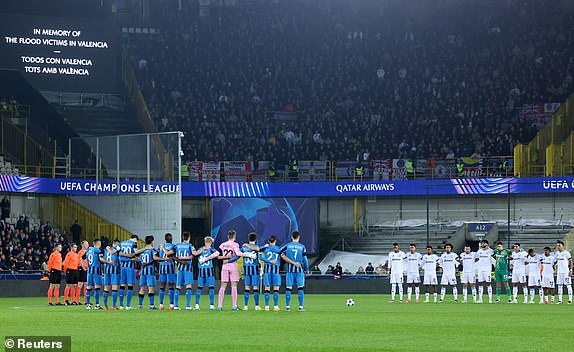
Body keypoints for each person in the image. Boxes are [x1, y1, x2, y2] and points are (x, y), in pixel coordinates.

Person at [217, 230, 257, 310]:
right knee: (234, 286)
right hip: (233, 266)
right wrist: (248, 255)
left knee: (223, 286)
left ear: (228, 236)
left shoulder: (222, 245)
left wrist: (225, 259)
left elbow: (218, 256)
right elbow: (238, 254)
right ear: (234, 237)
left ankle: (219, 306)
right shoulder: (235, 244)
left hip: (225, 266)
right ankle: (234, 306)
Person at [173, 232, 205, 310]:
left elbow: (172, 255)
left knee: (178, 287)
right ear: (189, 237)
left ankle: (176, 306)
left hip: (180, 268)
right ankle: (188, 305)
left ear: (182, 237)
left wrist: (180, 261)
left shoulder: (177, 245)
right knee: (188, 286)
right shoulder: (190, 246)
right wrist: (203, 249)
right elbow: (195, 253)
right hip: (188, 268)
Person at [118, 235, 148, 309]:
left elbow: (118, 253)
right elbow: (136, 252)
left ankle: (121, 305)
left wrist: (124, 255)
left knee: (122, 286)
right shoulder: (133, 243)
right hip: (130, 268)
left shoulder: (121, 243)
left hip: (122, 267)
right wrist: (144, 249)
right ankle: (128, 305)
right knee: (130, 286)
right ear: (135, 239)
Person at [280, 230, 309, 311]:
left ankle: (288, 307)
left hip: (290, 271)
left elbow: (280, 252)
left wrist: (284, 257)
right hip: (300, 271)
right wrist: (307, 269)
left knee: (288, 288)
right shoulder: (302, 247)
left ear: (292, 237)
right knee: (300, 288)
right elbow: (305, 259)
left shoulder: (287, 246)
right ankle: (300, 307)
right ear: (299, 237)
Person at [137, 235, 168, 310]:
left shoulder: (142, 250)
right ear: (152, 241)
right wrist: (164, 259)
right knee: (151, 288)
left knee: (142, 288)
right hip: (150, 271)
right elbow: (155, 258)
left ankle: (140, 305)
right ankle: (151, 305)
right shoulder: (152, 250)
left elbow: (138, 258)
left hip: (142, 271)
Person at [85, 239, 115, 310]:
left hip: (89, 271)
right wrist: (108, 262)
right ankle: (97, 305)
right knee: (97, 288)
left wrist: (84, 267)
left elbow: (82, 258)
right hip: (96, 271)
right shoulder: (97, 251)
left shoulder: (88, 251)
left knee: (89, 288)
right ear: (99, 244)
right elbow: (101, 259)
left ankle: (88, 305)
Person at [238, 232, 262, 310]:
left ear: (248, 239)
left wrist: (229, 261)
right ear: (255, 239)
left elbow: (238, 256)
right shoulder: (256, 246)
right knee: (255, 287)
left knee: (247, 287)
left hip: (247, 269)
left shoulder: (244, 247)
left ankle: (245, 306)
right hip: (254, 269)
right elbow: (258, 250)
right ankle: (257, 306)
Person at [195, 236, 219, 310]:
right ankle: (211, 305)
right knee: (211, 288)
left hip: (201, 271)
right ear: (211, 243)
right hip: (209, 271)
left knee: (199, 288)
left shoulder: (200, 249)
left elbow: (195, 254)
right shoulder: (211, 250)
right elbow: (217, 253)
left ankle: (197, 305)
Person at [260, 235, 282, 311]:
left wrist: (268, 261)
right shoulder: (279, 249)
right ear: (275, 241)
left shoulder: (265, 248)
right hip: (276, 271)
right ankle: (275, 306)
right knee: (276, 288)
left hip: (267, 271)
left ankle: (266, 306)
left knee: (267, 288)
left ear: (269, 241)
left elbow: (259, 256)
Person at [157, 233, 176, 310]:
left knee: (162, 286)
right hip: (170, 268)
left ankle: (161, 304)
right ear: (171, 239)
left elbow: (157, 256)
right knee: (171, 286)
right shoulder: (174, 246)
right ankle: (171, 305)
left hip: (162, 268)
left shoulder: (160, 247)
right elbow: (169, 254)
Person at [102, 239, 120, 310]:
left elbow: (102, 258)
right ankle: (114, 306)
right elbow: (113, 253)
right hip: (114, 270)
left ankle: (105, 306)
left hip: (106, 270)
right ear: (117, 244)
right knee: (114, 288)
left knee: (106, 288)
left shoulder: (106, 250)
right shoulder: (117, 248)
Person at [554, 240, 572, 304]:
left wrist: (570, 270)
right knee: (559, 286)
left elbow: (570, 262)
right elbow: (555, 261)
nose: (558, 247)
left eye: (559, 245)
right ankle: (560, 300)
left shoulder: (566, 253)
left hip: (566, 272)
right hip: (559, 272)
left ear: (562, 245)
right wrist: (553, 266)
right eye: (557, 245)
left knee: (568, 285)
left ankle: (570, 300)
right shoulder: (557, 253)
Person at [76, 241, 89, 305]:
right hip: (82, 269)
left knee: (86, 285)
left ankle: (85, 301)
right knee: (80, 284)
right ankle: (77, 300)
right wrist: (83, 268)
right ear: (83, 245)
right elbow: (80, 260)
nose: (88, 245)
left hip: (86, 269)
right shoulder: (81, 252)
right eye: (86, 244)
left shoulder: (87, 252)